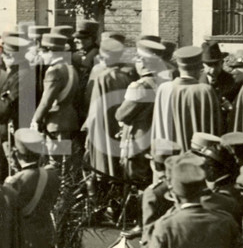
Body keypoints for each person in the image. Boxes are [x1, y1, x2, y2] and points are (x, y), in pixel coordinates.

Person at [150, 45, 221, 153]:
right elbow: (214, 127)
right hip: (198, 156)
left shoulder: (163, 89)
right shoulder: (205, 91)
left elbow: (158, 126)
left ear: (178, 67)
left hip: (169, 154)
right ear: (200, 67)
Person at [116, 39, 167, 188]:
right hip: (157, 138)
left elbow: (121, 115)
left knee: (134, 181)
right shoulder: (164, 82)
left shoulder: (140, 86)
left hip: (138, 141)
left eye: (138, 59)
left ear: (144, 62)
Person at [83, 38, 135, 179]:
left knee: (102, 162)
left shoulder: (103, 77)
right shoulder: (126, 75)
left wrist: (88, 130)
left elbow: (95, 108)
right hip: (119, 123)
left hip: (103, 123)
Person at [30, 33, 79, 160]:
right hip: (70, 119)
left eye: (42, 52)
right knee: (66, 162)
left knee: (55, 162)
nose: (41, 56)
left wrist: (36, 120)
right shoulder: (70, 68)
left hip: (56, 122)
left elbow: (46, 101)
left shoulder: (54, 71)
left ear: (51, 52)